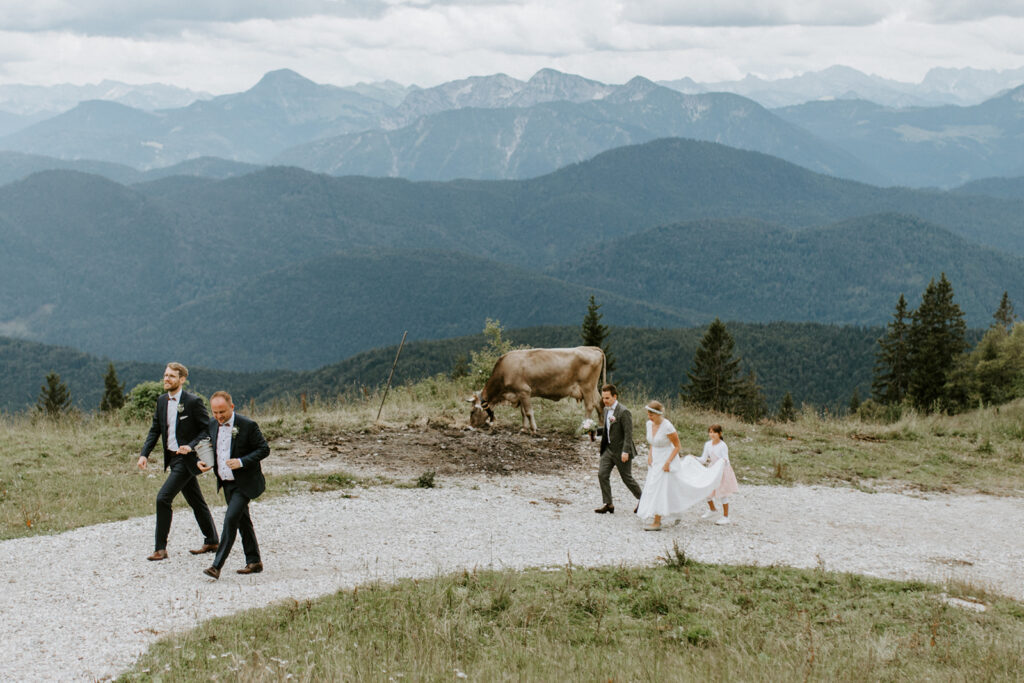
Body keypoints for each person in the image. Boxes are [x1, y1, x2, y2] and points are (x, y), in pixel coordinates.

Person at [182, 391, 269, 579]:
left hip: (244, 483)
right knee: (243, 521)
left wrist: (242, 461)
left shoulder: (247, 425)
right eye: (215, 412)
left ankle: (216, 566)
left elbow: (264, 449)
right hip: (226, 483)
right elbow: (211, 447)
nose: (219, 416)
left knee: (230, 520)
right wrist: (201, 461)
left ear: (232, 407)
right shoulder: (213, 425)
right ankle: (254, 561)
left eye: (222, 412)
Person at [137, 363, 218, 561]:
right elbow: (155, 429)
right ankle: (212, 540)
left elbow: (206, 430)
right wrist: (144, 454)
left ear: (182, 379)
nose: (167, 379)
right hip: (173, 458)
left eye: (172, 376)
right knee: (196, 501)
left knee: (163, 498)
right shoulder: (161, 401)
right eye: (165, 375)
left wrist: (190, 446)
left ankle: (160, 549)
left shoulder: (193, 402)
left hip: (187, 459)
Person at [635, 402, 726, 530]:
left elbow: (677, 446)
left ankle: (657, 521)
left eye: (651, 414)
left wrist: (668, 462)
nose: (649, 416)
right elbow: (653, 442)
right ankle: (676, 512)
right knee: (662, 487)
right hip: (655, 458)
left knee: (660, 488)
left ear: (658, 414)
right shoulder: (649, 424)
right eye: (648, 414)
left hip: (668, 458)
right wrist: (650, 455)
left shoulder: (667, 426)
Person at [594, 384, 642, 513]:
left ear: (615, 396)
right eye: (603, 398)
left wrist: (625, 451)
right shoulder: (606, 410)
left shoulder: (624, 411)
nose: (605, 400)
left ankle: (644, 500)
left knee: (627, 479)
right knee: (602, 474)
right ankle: (608, 503)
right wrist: (594, 431)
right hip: (608, 449)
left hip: (622, 451)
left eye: (607, 398)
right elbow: (608, 429)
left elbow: (628, 433)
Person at [698, 424, 740, 525]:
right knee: (706, 490)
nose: (712, 434)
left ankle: (726, 517)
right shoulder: (707, 444)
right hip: (712, 469)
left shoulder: (723, 445)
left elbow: (726, 460)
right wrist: (693, 458)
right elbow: (703, 459)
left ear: (719, 434)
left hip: (722, 470)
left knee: (722, 494)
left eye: (714, 432)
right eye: (710, 432)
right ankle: (712, 510)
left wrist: (721, 465)